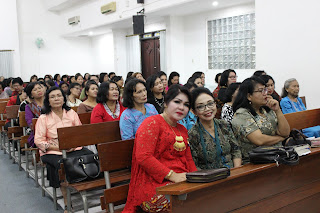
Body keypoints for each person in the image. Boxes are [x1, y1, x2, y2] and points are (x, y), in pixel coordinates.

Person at [123, 84, 197, 213]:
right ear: (166, 103)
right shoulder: (152, 123)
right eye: (177, 102)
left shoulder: (182, 129)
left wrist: (197, 179)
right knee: (184, 205)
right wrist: (172, 175)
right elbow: (143, 157)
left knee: (208, 196)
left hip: (181, 180)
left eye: (186, 105)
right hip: (154, 184)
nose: (181, 107)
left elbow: (188, 159)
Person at [34, 86, 92, 213]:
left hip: (74, 147)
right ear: (48, 101)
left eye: (59, 96)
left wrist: (72, 144)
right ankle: (67, 203)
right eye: (53, 97)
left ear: (63, 98)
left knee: (90, 156)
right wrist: (60, 147)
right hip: (52, 151)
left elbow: (80, 132)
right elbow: (38, 140)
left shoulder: (71, 113)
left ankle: (84, 187)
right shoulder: (43, 118)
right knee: (63, 164)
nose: (56, 99)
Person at [232, 77, 290, 164]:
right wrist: (281, 138)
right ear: (249, 96)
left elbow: (285, 132)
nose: (265, 94)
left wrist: (278, 110)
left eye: (265, 90)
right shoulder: (242, 114)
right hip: (257, 161)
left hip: (277, 155)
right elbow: (260, 140)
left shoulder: (266, 109)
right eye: (261, 91)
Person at [188, 87, 241, 169]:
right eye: (200, 106)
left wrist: (237, 170)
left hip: (233, 174)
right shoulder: (193, 134)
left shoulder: (224, 125)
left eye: (210, 104)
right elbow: (194, 165)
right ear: (194, 111)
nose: (207, 109)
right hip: (210, 178)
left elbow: (236, 150)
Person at [25, 82, 45, 147]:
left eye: (39, 88)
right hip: (37, 134)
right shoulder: (29, 107)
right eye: (35, 90)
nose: (38, 90)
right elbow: (30, 122)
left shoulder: (50, 103)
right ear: (31, 95)